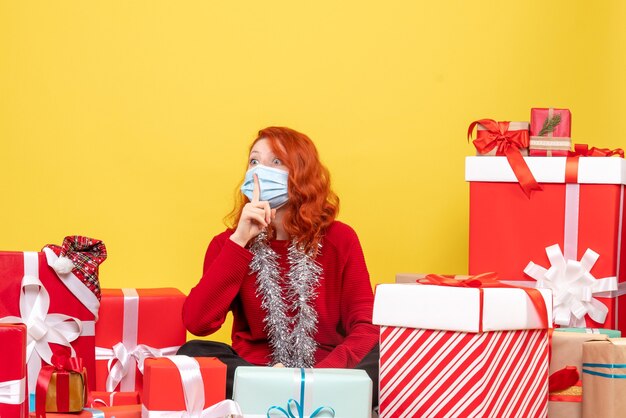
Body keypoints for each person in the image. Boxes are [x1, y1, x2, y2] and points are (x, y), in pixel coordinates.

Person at [178, 126, 379, 404]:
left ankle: (291, 393)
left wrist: (316, 377)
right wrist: (239, 240)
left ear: (301, 173)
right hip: (258, 372)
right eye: (254, 161)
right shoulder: (228, 243)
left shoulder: (340, 238)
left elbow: (366, 326)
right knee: (191, 353)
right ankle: (282, 390)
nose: (260, 171)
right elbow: (197, 322)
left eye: (275, 161)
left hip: (329, 372)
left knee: (388, 353)